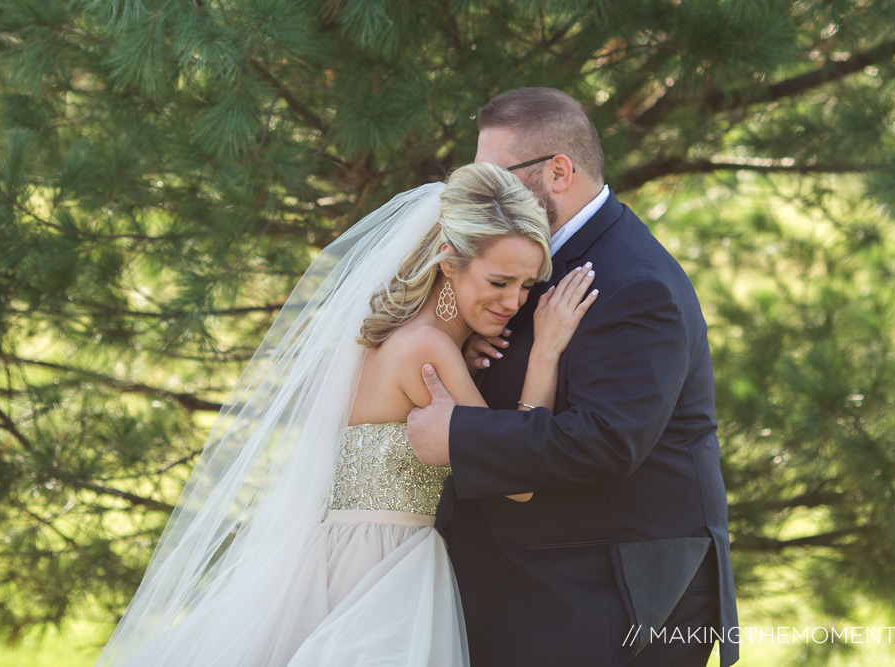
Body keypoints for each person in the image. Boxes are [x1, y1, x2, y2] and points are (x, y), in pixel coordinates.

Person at [94, 162, 598, 666]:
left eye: (528, 285)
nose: (514, 301)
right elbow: (519, 479)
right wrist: (545, 352)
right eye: (499, 281)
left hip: (328, 555)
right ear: (449, 263)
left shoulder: (373, 341)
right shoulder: (427, 349)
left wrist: (463, 342)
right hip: (388, 567)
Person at [408, 87, 739, 667]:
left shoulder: (634, 283)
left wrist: (457, 434)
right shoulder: (528, 262)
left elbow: (608, 439)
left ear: (558, 171)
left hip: (613, 601)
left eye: (501, 178)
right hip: (537, 585)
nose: (491, 196)